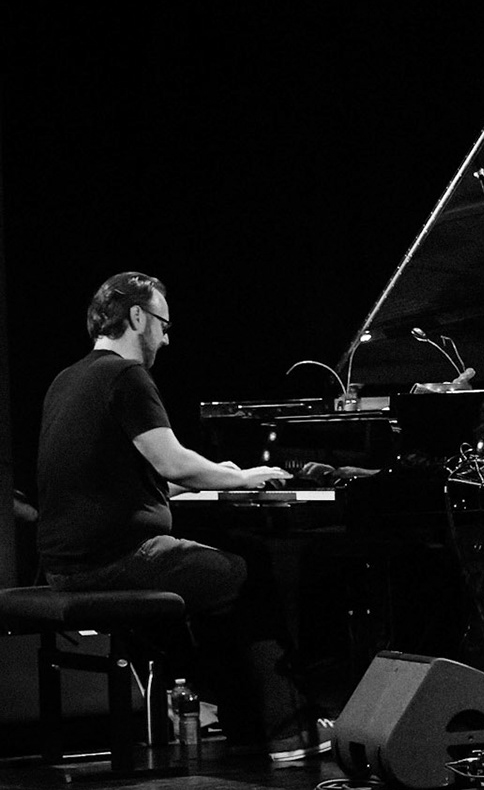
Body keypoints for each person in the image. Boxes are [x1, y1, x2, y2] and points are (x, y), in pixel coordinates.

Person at [35, 272, 328, 760]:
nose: (167, 338)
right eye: (163, 325)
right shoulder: (127, 376)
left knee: (214, 577)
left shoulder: (67, 379)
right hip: (116, 561)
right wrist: (244, 477)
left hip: (65, 566)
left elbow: (122, 480)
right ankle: (287, 732)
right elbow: (173, 462)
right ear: (137, 318)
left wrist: (216, 471)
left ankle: (244, 727)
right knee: (246, 569)